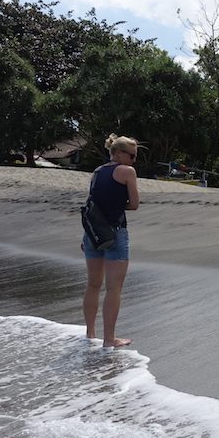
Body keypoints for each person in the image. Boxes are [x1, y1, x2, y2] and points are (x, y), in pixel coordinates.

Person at [82, 134, 140, 348]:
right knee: (113, 288)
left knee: (92, 285)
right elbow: (134, 204)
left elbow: (93, 202)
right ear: (118, 153)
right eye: (132, 155)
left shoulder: (97, 172)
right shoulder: (127, 172)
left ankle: (90, 334)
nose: (134, 160)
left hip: (92, 232)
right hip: (115, 231)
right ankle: (109, 339)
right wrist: (118, 205)